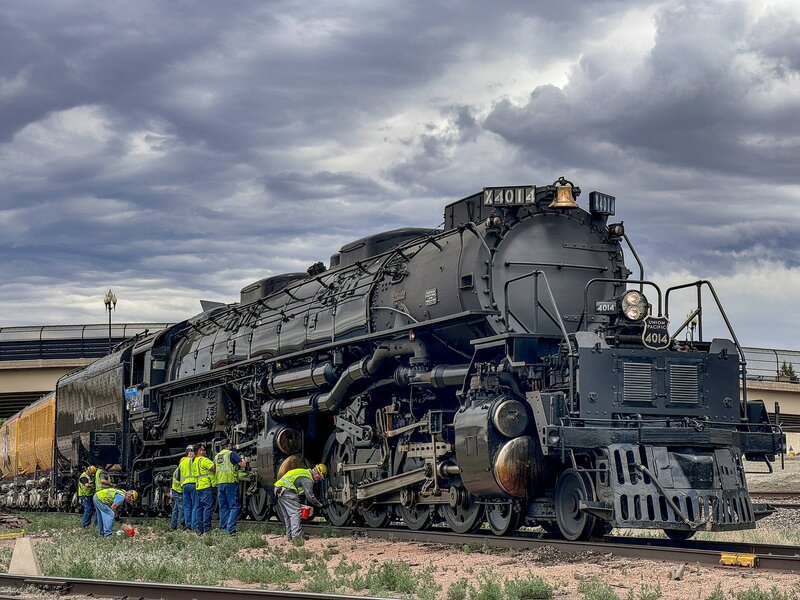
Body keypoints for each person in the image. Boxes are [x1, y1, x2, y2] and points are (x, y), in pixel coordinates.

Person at [274, 464, 328, 542]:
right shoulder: (308, 480)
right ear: (317, 473)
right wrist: (321, 505)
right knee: (295, 513)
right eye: (319, 478)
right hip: (287, 491)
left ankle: (290, 536)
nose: (318, 480)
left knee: (287, 515)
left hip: (279, 490)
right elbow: (310, 497)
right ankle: (296, 536)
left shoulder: (304, 472)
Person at [214, 438, 246, 535]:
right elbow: (243, 465)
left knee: (223, 507)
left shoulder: (217, 456)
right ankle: (231, 529)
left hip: (220, 483)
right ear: (229, 445)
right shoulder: (231, 454)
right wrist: (243, 459)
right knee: (234, 507)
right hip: (230, 482)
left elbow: (214, 468)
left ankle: (223, 529)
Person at [192, 443, 216, 534]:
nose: (205, 451)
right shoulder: (204, 460)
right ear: (199, 451)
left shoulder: (194, 462)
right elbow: (214, 468)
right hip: (206, 486)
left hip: (198, 487)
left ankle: (199, 529)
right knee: (208, 507)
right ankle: (207, 529)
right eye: (203, 450)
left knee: (199, 508)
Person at [178, 445, 196, 530]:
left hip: (185, 485)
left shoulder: (182, 462)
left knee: (187, 506)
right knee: (195, 506)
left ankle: (188, 525)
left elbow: (178, 475)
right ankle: (194, 525)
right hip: (193, 484)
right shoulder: (194, 461)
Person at [170, 464, 184, 530]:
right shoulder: (181, 470)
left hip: (175, 490)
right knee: (182, 508)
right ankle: (180, 526)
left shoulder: (177, 470)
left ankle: (173, 525)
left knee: (176, 509)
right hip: (179, 491)